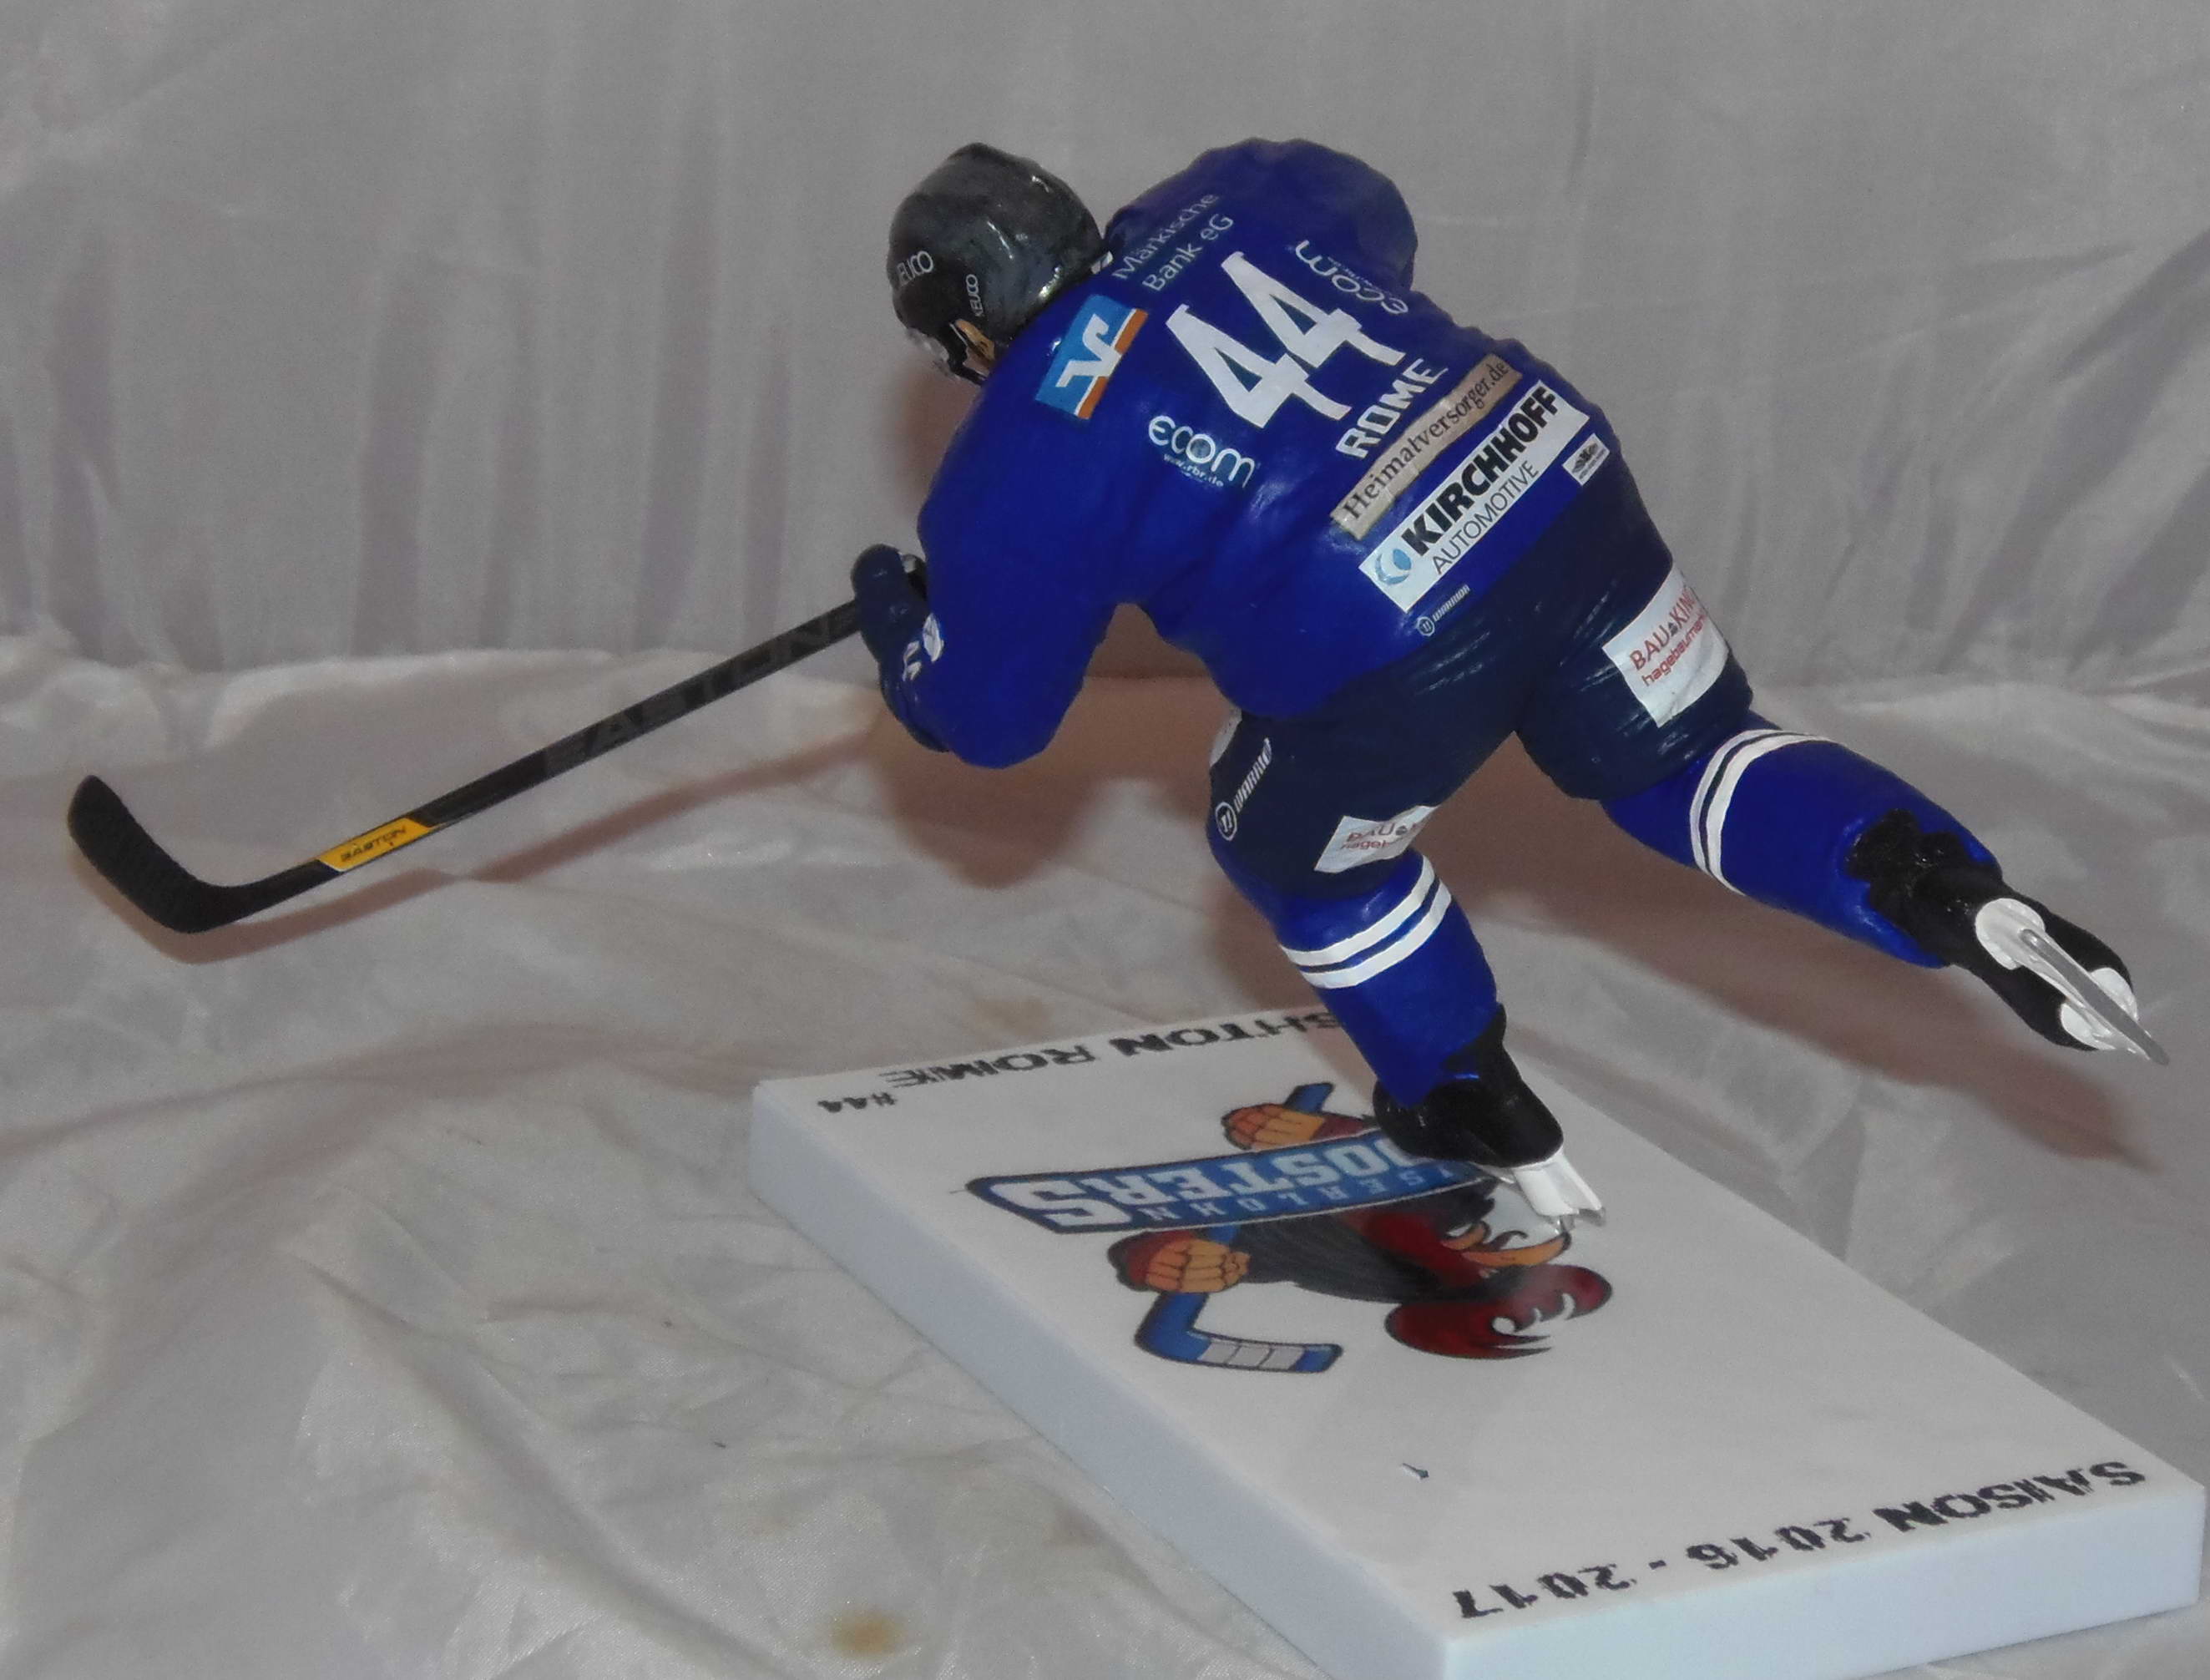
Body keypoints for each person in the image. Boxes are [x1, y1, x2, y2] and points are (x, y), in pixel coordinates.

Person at [850, 139, 2162, 1227]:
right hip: (1550, 478)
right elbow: (1373, 208)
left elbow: (991, 721)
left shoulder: (1014, 458)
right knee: (1693, 755)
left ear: (966, 327)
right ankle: (1928, 877)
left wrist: (912, 632)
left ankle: (1461, 1088)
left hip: (1381, 628)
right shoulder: (1232, 195)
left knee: (1291, 849)